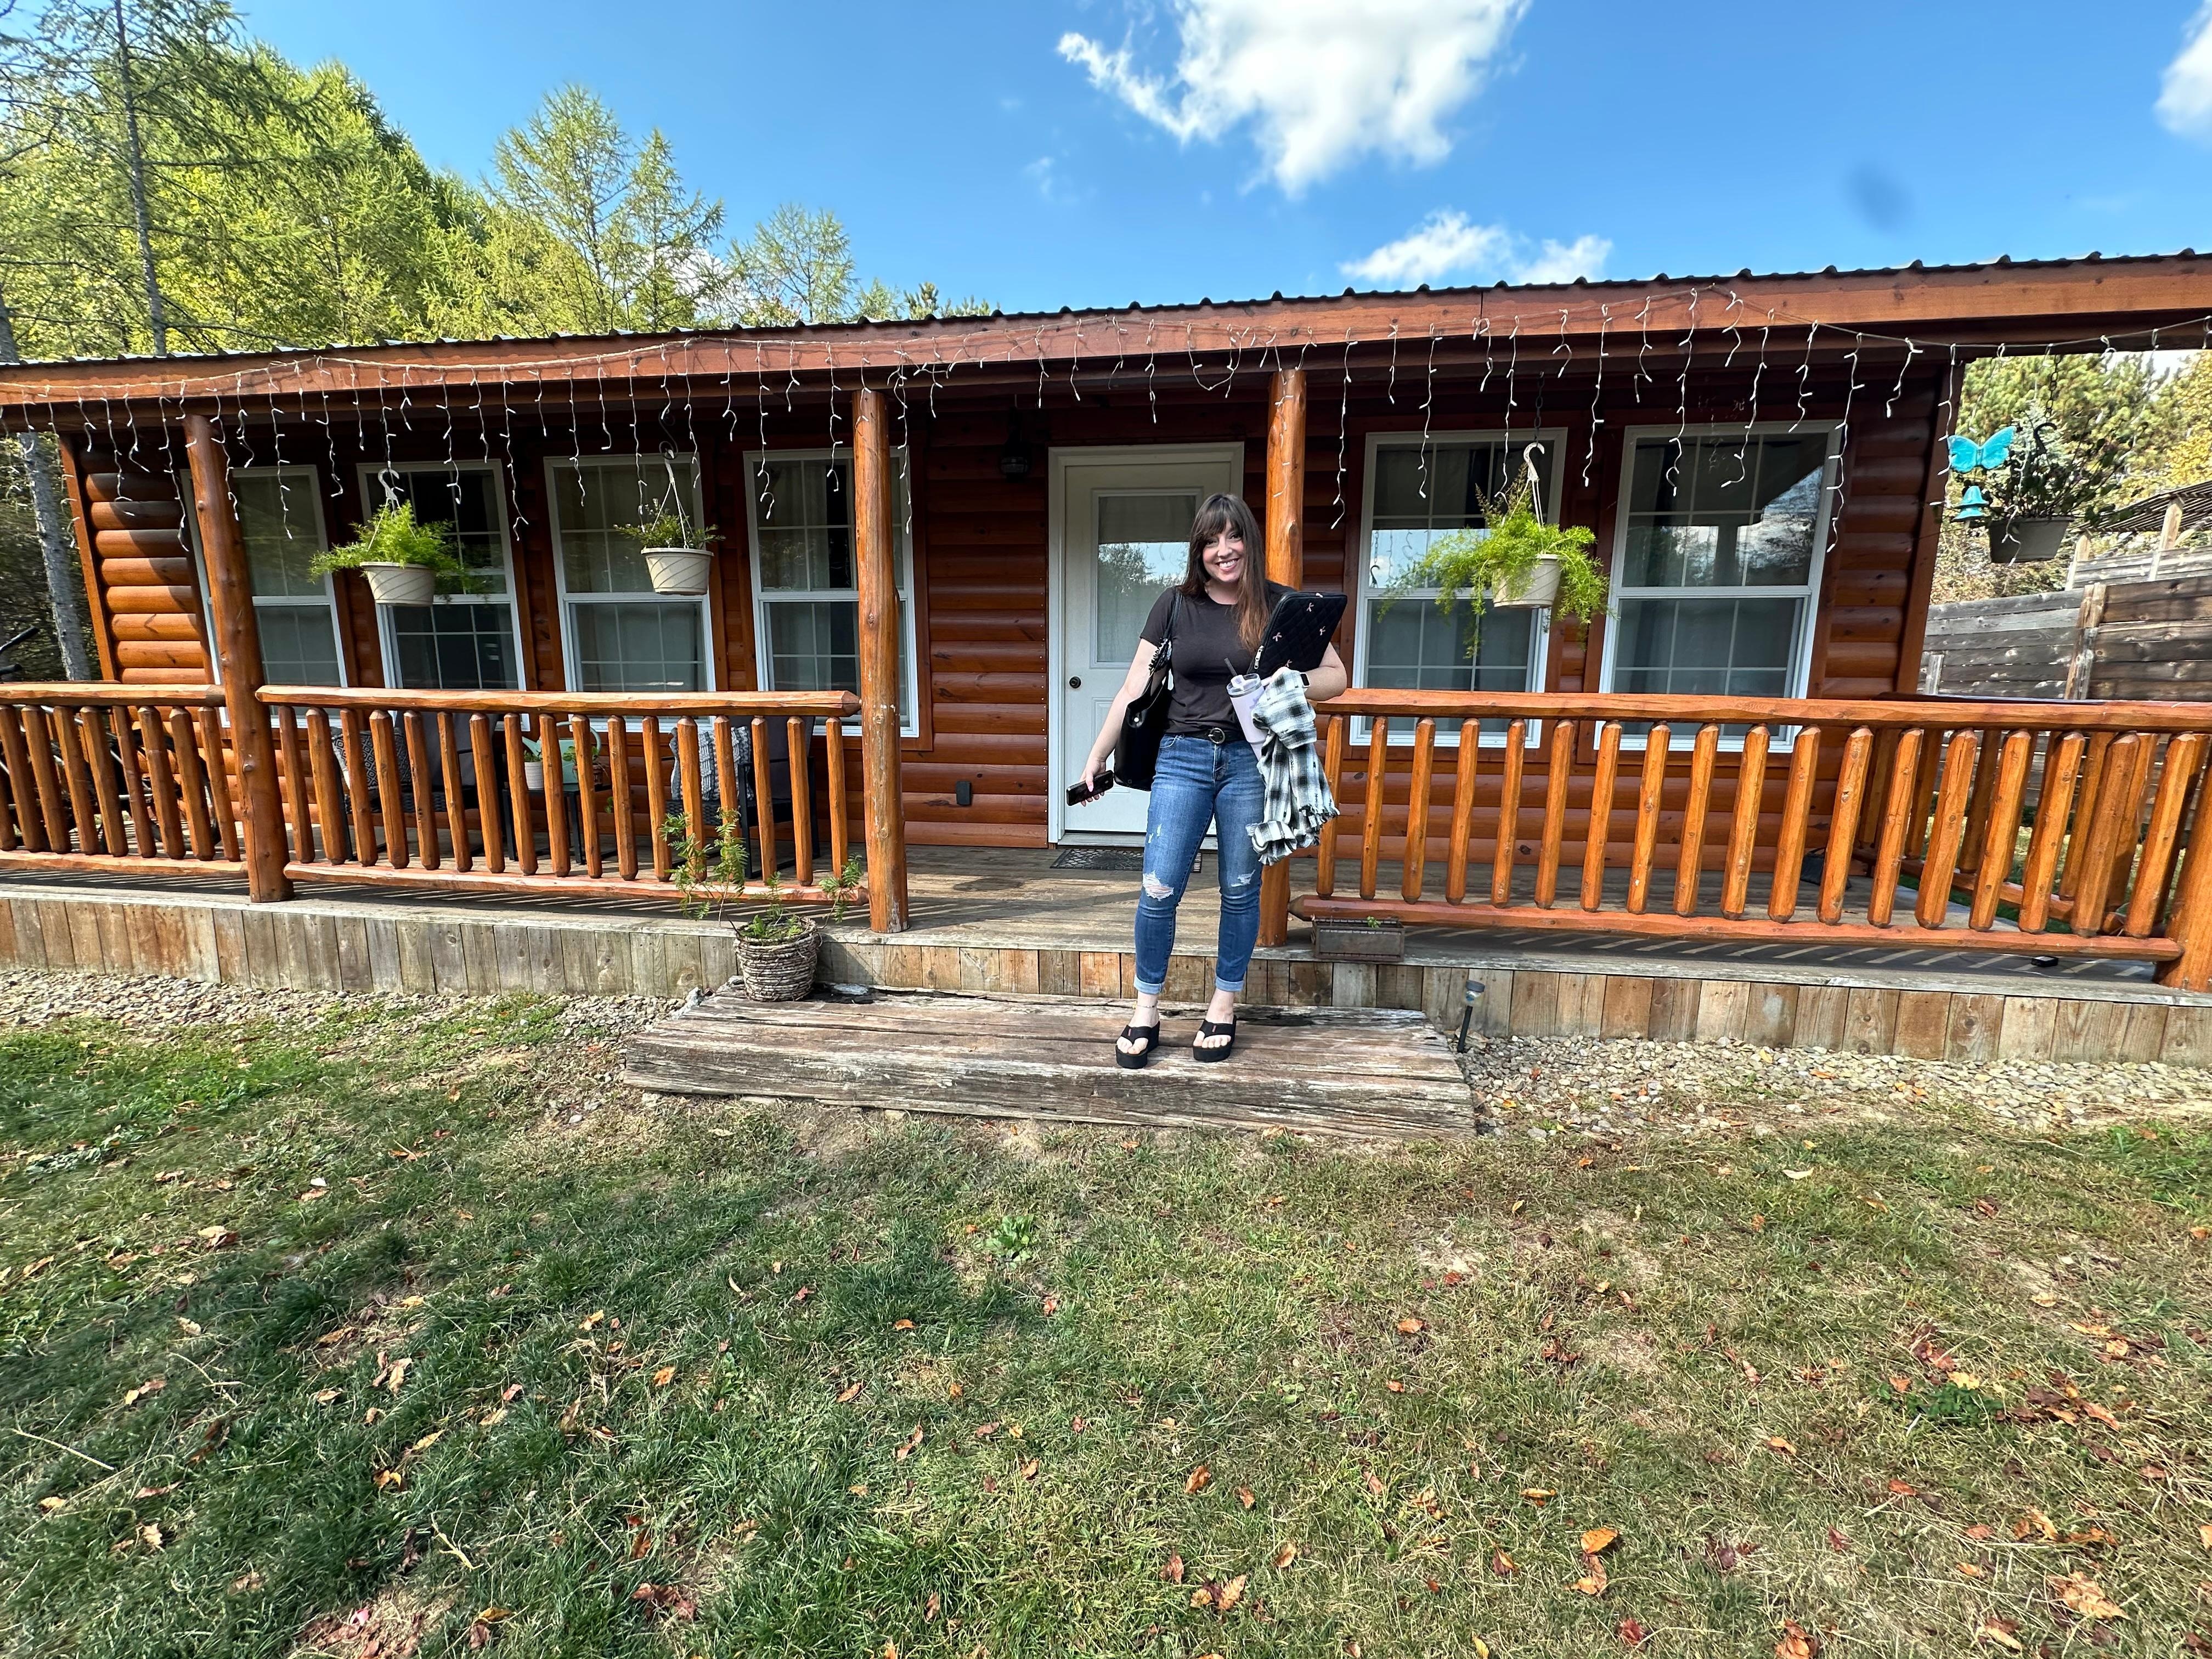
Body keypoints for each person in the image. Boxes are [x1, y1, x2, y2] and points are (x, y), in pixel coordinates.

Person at [1078, 492, 1347, 1066]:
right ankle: (1146, 1009)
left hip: (1249, 762)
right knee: (1159, 887)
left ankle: (1223, 1006)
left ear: (1249, 540)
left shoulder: (1281, 605)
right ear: (1198, 550)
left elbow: (1336, 677)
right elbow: (1132, 687)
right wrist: (1097, 757)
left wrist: (1285, 679)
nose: (1223, 550)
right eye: (1210, 540)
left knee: (1240, 889)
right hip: (1182, 758)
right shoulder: (1175, 604)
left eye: (1233, 536)